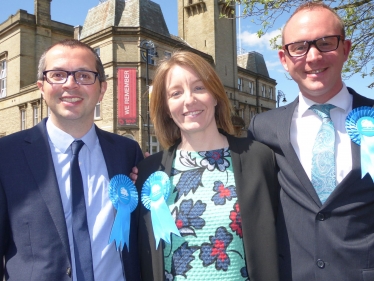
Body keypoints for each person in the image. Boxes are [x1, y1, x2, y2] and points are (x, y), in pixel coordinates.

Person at [248, 2, 374, 281]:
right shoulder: (262, 128)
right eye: (299, 47)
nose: (313, 57)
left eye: (326, 43)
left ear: (346, 49)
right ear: (284, 58)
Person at [0, 39, 143, 281]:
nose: (71, 84)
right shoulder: (6, 155)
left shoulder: (127, 152)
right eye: (57, 75)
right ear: (41, 87)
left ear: (102, 89)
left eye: (84, 75)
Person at [135, 51, 279, 281]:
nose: (189, 100)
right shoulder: (148, 172)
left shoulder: (259, 158)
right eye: (176, 93)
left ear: (215, 95)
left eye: (199, 88)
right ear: (166, 107)